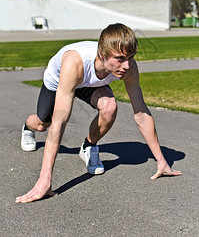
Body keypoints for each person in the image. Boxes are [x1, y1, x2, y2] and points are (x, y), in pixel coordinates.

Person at [15, 23, 181, 203]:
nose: (127, 65)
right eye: (120, 58)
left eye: (131, 57)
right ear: (102, 54)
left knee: (109, 107)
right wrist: (44, 180)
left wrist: (162, 161)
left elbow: (141, 113)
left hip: (92, 82)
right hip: (61, 81)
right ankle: (27, 127)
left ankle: (88, 146)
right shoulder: (75, 63)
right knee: (43, 124)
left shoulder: (128, 67)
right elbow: (59, 122)